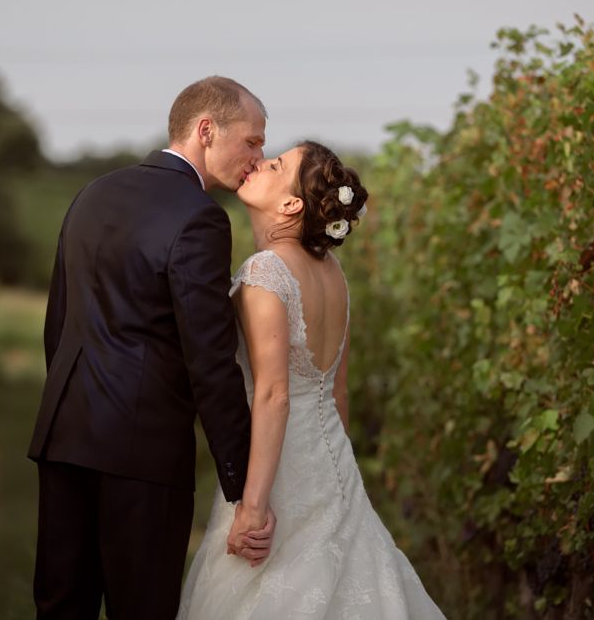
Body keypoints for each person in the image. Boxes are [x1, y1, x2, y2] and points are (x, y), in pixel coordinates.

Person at [28, 76, 276, 619]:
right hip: (141, 454)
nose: (259, 155)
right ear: (206, 130)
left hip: (64, 438)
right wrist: (241, 487)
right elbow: (209, 360)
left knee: (60, 605)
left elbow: (59, 323)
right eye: (253, 140)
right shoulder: (200, 217)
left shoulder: (92, 192)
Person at [178, 141, 446, 619]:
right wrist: (333, 477)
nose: (259, 163)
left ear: (291, 204)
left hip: (275, 465)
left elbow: (274, 395)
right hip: (331, 466)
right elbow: (335, 390)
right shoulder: (333, 274)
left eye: (276, 164)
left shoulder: (266, 272)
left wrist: (255, 505)